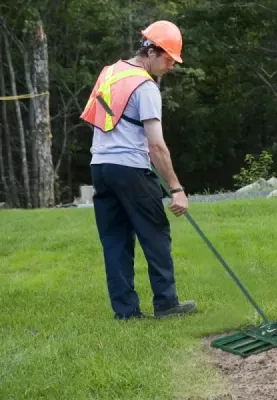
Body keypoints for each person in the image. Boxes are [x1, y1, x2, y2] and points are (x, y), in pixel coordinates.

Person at [80, 20, 196, 320]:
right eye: (169, 58)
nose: (171, 66)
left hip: (100, 168)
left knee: (114, 240)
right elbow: (156, 146)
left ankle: (126, 313)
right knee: (155, 235)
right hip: (130, 170)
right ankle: (167, 305)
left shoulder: (110, 72)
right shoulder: (146, 87)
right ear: (152, 51)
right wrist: (176, 188)